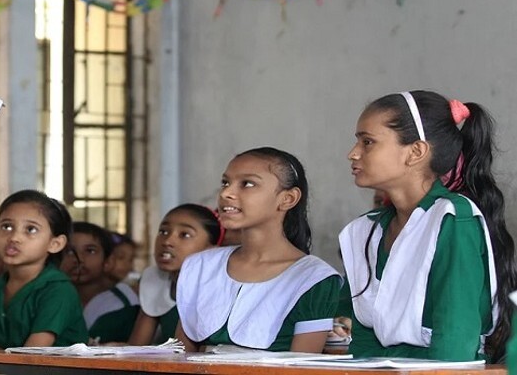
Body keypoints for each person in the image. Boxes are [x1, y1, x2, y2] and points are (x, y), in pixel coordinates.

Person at [340, 91, 517, 362]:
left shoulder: (452, 219)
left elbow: (455, 340)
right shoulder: (365, 230)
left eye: (368, 142)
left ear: (416, 152)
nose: (353, 154)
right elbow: (363, 341)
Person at [175, 147, 341, 353]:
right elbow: (180, 357)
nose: (226, 193)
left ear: (287, 199)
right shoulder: (200, 266)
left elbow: (301, 366)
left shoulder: (314, 278)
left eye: (248, 184)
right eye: (225, 183)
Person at [0, 190, 87, 349]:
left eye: (31, 229)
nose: (14, 237)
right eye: (6, 227)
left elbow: (31, 356)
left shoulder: (59, 291)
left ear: (55, 244)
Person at [128, 204, 222, 345]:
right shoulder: (155, 279)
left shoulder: (220, 286)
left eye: (184, 235)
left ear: (211, 248)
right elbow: (136, 347)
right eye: (163, 232)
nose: (167, 241)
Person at [61, 222, 139, 344]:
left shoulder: (126, 304)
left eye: (90, 251)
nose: (79, 259)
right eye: (69, 251)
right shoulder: (47, 297)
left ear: (108, 261)